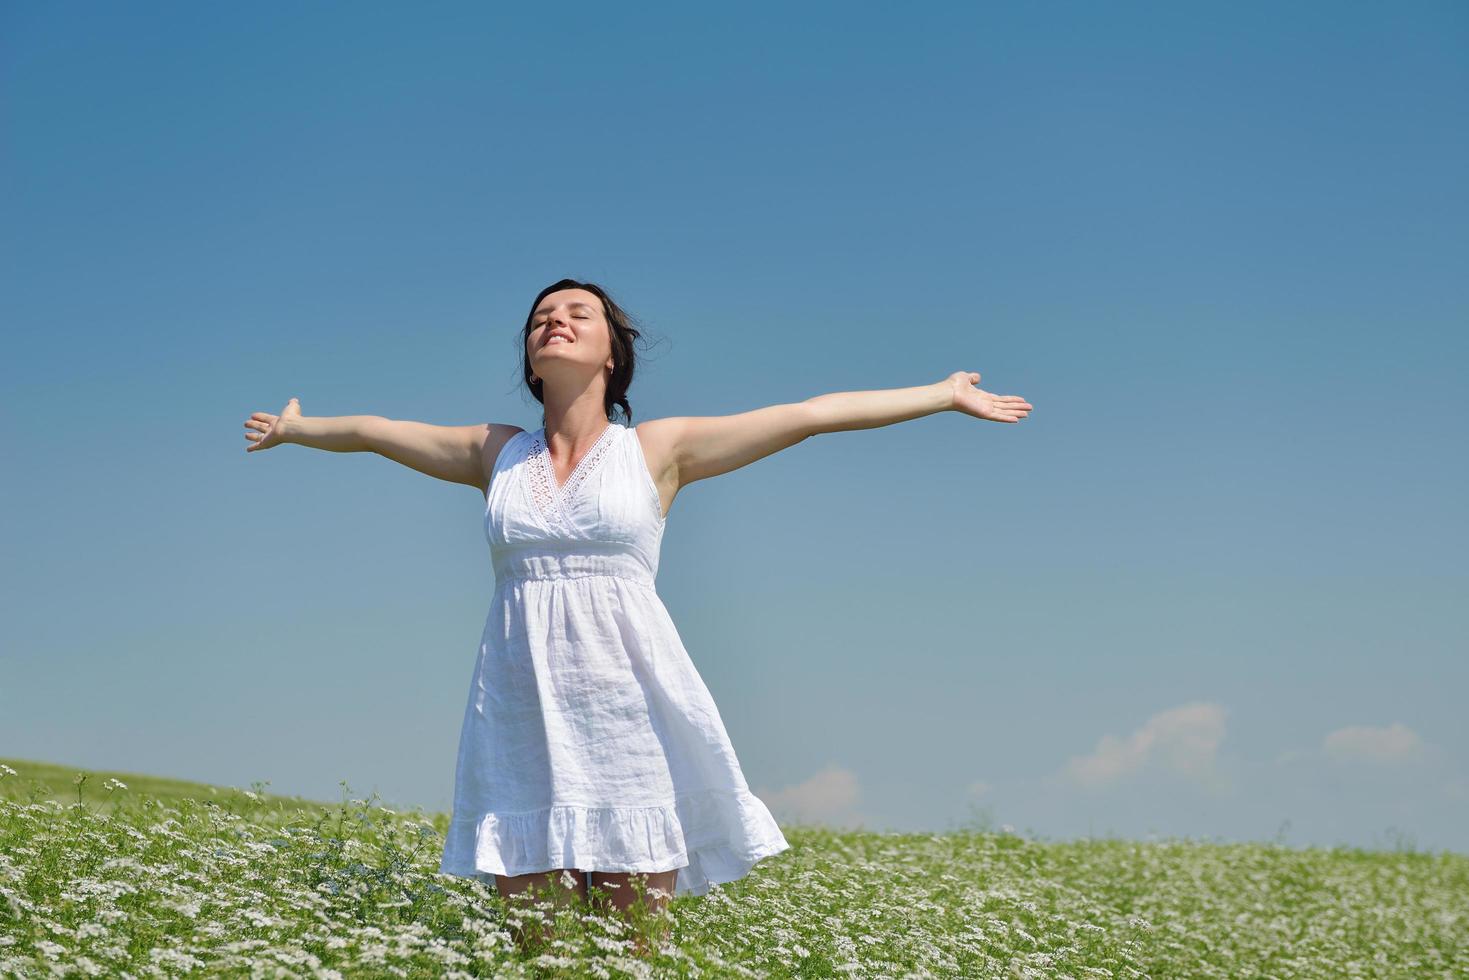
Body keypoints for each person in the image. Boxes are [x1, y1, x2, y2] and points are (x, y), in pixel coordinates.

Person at [242, 279, 1032, 957]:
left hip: (630, 717)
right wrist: (296, 429)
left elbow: (811, 413)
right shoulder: (496, 454)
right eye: (541, 315)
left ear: (611, 352)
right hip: (523, 715)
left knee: (630, 957)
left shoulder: (657, 449)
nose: (554, 319)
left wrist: (941, 394)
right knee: (536, 953)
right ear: (528, 356)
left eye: (576, 312)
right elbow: (379, 434)